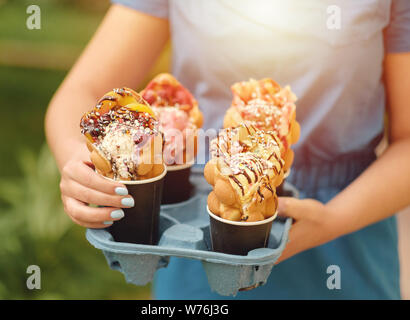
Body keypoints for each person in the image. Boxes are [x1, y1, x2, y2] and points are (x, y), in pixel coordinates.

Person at [45, 0, 410, 299]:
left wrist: (335, 220)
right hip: (206, 230)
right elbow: (82, 91)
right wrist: (76, 160)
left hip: (349, 237)